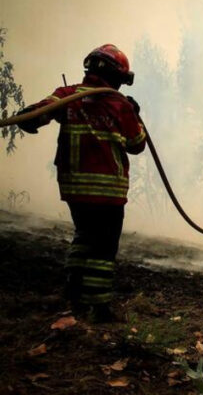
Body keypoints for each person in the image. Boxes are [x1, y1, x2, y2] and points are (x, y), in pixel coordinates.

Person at [15, 44, 146, 322]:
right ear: (117, 77)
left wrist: (29, 116)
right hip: (108, 191)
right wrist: (135, 114)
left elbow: (40, 112)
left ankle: (74, 292)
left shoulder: (67, 95)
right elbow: (137, 144)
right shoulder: (120, 105)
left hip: (74, 188)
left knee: (85, 236)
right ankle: (98, 308)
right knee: (103, 249)